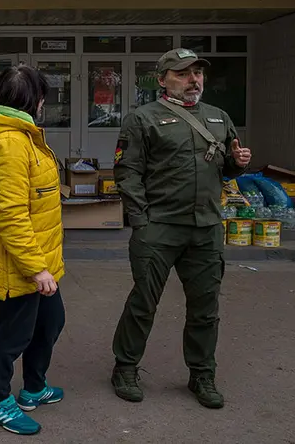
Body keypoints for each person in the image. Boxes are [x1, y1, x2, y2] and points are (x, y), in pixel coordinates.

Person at [111, 48, 251, 409]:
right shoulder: (142, 119)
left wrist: (237, 163)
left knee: (206, 308)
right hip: (159, 228)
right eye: (183, 73)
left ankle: (202, 374)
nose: (193, 80)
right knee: (144, 303)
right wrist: (141, 221)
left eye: (197, 73)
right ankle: (125, 367)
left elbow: (224, 167)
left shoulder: (218, 118)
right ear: (162, 80)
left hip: (205, 229)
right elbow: (127, 173)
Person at [0, 66, 65, 437]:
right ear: (36, 100)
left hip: (34, 259)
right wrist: (36, 269)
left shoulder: (22, 136)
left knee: (50, 322)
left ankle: (34, 387)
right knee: (10, 337)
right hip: (14, 264)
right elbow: (10, 214)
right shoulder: (9, 144)